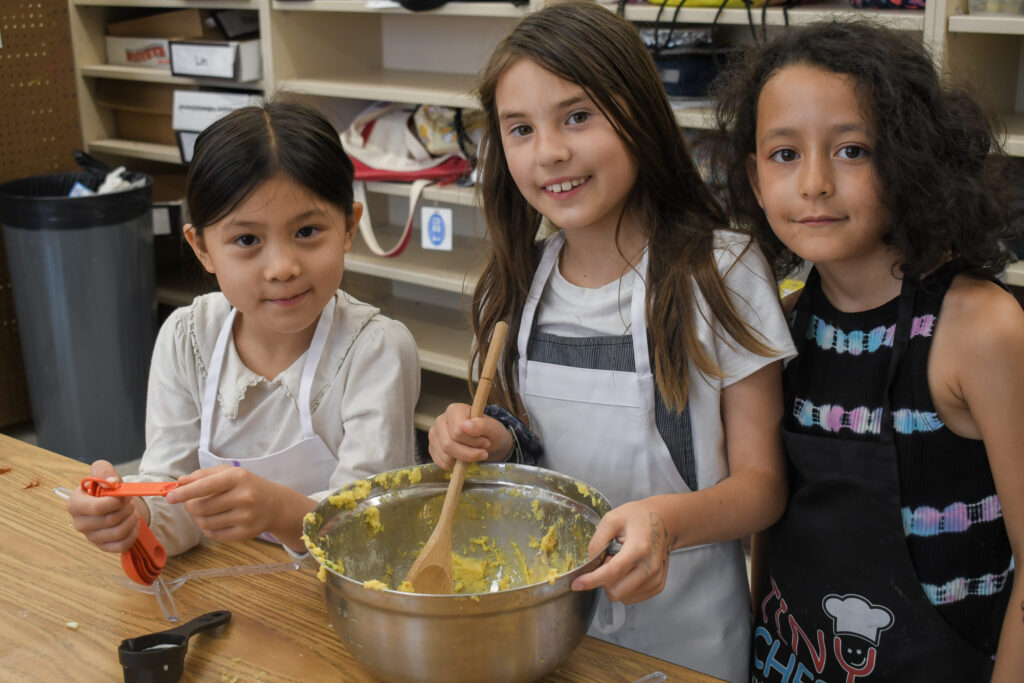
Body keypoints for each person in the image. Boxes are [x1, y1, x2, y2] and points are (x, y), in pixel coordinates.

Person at [427, 3, 795, 680]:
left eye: (578, 116)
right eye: (520, 129)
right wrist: (488, 440)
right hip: (549, 629)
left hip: (688, 636)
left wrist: (665, 521)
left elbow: (764, 486)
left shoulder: (720, 271)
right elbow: (526, 443)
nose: (551, 151)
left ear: (641, 116)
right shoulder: (514, 285)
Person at [712, 21, 1024, 682]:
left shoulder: (980, 331)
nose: (815, 183)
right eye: (784, 154)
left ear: (911, 155)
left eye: (852, 150)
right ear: (754, 175)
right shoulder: (787, 323)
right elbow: (772, 523)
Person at [67, 101, 420, 561]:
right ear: (203, 249)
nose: (282, 268)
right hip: (233, 582)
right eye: (247, 240)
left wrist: (281, 511)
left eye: (308, 231)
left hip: (337, 598)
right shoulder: (187, 339)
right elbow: (173, 499)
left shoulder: (375, 351)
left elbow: (375, 536)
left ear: (349, 227)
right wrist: (135, 517)